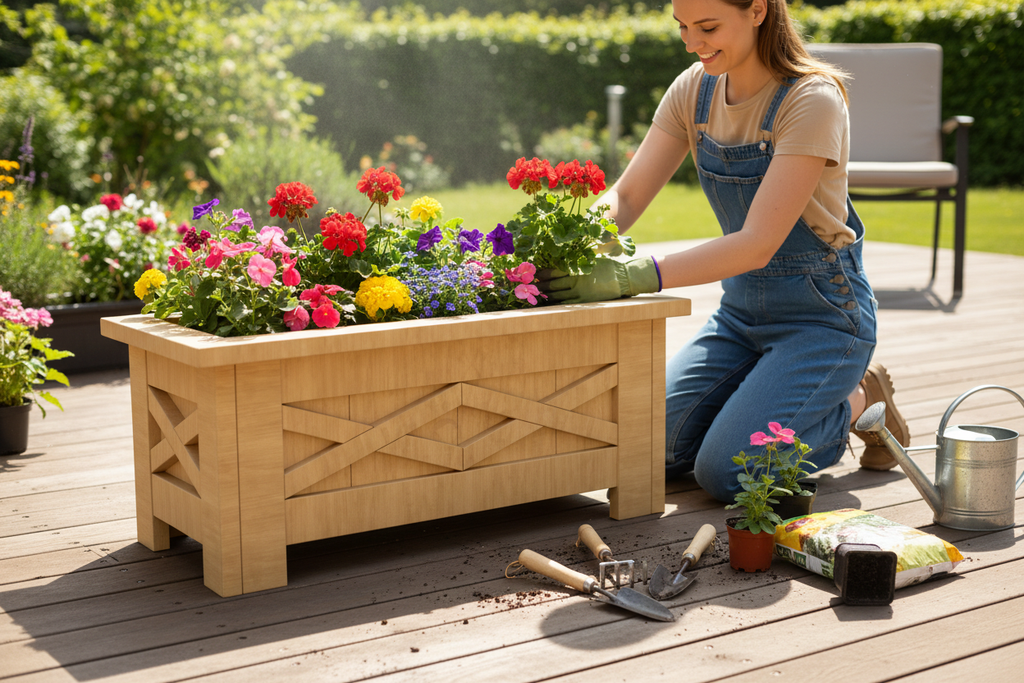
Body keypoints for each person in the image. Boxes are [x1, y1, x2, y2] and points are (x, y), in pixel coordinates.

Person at [537, 0, 910, 501]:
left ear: (758, 10)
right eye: (683, 27)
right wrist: (572, 242)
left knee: (728, 473)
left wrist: (635, 275)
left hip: (822, 318)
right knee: (643, 449)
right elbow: (626, 196)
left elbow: (758, 243)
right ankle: (765, 398)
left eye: (708, 27)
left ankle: (858, 398)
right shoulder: (694, 90)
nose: (693, 42)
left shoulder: (811, 99)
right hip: (740, 317)